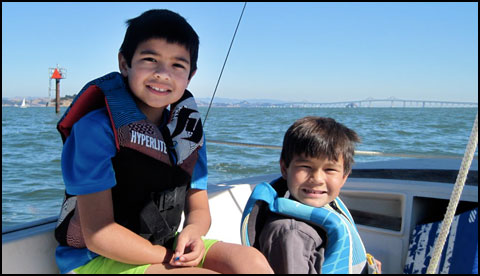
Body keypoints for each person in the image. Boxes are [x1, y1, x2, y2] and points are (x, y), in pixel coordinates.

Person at [54, 9, 273, 274]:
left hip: (163, 245)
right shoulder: (95, 130)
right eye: (150, 59)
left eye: (177, 65)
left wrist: (193, 231)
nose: (162, 73)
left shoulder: (185, 133)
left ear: (190, 75)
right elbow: (100, 235)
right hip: (96, 259)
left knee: (251, 262)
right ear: (124, 63)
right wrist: (168, 256)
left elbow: (199, 207)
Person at [241, 116, 381, 274]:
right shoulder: (291, 235)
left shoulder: (325, 207)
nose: (317, 179)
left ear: (344, 177)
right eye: (305, 166)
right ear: (284, 168)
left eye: (330, 170)